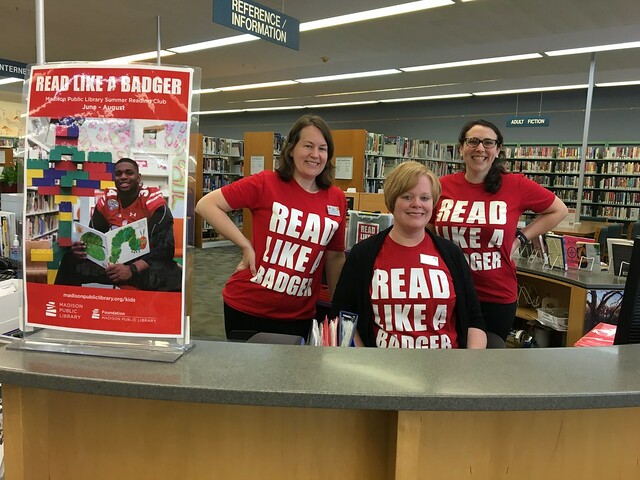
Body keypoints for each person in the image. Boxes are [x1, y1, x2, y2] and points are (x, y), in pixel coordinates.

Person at [195, 114, 347, 339]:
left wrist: (337, 308)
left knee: (292, 374)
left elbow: (335, 258)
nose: (315, 154)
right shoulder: (266, 183)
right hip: (249, 306)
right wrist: (245, 245)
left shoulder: (336, 198)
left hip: (300, 315)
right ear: (291, 149)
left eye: (322, 148)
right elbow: (206, 205)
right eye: (308, 146)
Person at [430, 119, 568, 340]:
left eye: (488, 142)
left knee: (487, 363)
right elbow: (428, 225)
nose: (480, 148)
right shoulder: (440, 186)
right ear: (461, 148)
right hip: (446, 289)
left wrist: (520, 238)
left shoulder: (516, 185)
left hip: (494, 294)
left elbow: (558, 210)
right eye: (472, 141)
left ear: (498, 149)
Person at [330, 161, 487, 349]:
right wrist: (364, 362)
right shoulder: (363, 254)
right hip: (382, 368)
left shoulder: (451, 254)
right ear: (392, 200)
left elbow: (474, 321)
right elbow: (343, 316)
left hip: (446, 368)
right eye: (407, 196)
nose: (417, 204)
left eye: (425, 197)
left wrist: (468, 366)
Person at [54, 157, 182, 291]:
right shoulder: (107, 200)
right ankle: (65, 307)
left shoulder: (152, 201)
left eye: (129, 173)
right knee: (70, 260)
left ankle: (152, 311)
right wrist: (83, 248)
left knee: (174, 277)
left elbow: (165, 248)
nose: (123, 177)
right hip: (113, 263)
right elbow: (96, 236)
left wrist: (132, 269)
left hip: (144, 264)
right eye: (119, 174)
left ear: (138, 177)